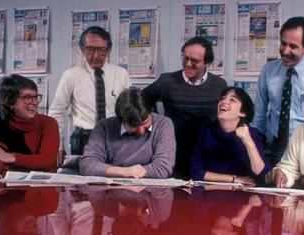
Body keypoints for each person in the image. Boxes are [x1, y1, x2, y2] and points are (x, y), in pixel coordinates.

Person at [252, 16, 304, 165]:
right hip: (277, 147)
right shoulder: (268, 70)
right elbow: (259, 116)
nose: (285, 51)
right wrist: (254, 148)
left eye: (293, 46)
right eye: (283, 43)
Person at [142, 37, 227, 178]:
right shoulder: (167, 81)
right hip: (174, 152)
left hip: (207, 154)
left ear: (207, 62)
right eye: (185, 58)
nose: (188, 64)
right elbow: (141, 100)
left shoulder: (220, 85)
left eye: (194, 61)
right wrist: (153, 125)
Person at [49, 26, 131, 157]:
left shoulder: (121, 74)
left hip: (114, 136)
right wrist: (57, 145)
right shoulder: (71, 75)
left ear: (109, 50)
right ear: (82, 49)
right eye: (90, 49)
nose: (95, 55)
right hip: (84, 138)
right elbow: (56, 112)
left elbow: (130, 110)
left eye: (101, 50)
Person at [79, 87, 176, 178]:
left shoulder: (163, 124)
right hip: (112, 191)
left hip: (151, 192)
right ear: (122, 120)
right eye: (134, 126)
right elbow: (87, 164)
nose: (141, 131)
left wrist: (113, 170)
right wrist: (126, 172)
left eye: (145, 123)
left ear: (150, 111)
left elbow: (163, 167)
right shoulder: (103, 127)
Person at [0, 74, 59, 178]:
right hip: (12, 185)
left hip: (44, 186)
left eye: (36, 97)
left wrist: (10, 157)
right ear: (11, 101)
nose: (35, 102)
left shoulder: (48, 123)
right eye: (28, 98)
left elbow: (47, 161)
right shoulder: (0, 123)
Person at [190, 86, 269, 185]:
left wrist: (248, 142)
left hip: (242, 195)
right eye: (223, 98)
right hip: (211, 191)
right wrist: (233, 179)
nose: (224, 102)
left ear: (242, 112)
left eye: (232, 100)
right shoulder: (205, 131)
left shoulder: (252, 134)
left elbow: (262, 175)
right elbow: (195, 172)